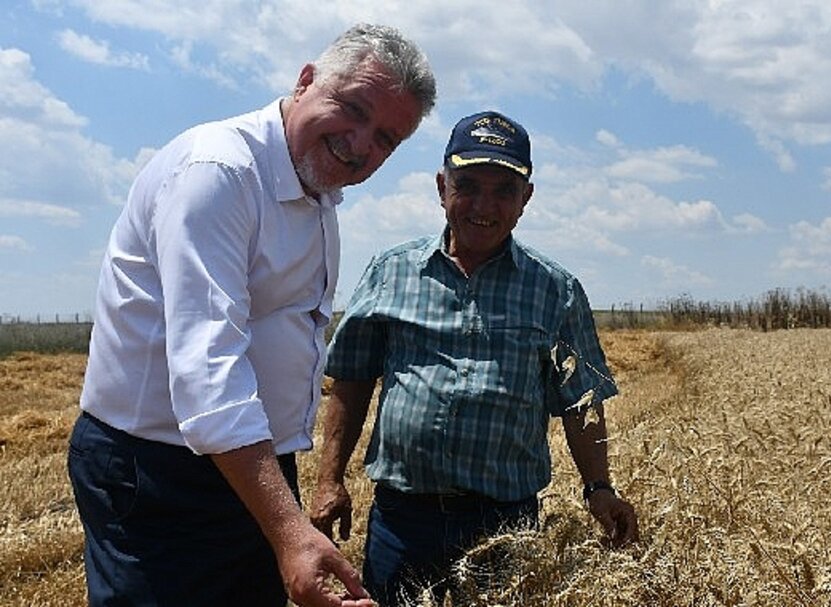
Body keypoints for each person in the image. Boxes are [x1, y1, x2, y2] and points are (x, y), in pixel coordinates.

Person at [67, 24, 436, 607]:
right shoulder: (219, 173)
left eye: (386, 139)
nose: (360, 145)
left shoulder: (314, 191)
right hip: (160, 474)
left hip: (247, 463)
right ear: (307, 79)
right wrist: (290, 532)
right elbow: (208, 372)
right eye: (353, 109)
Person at [311, 110, 639, 605]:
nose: (484, 205)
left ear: (525, 199)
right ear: (442, 187)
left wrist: (599, 488)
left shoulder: (556, 291)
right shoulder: (391, 271)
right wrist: (329, 479)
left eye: (504, 190)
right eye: (467, 185)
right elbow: (352, 380)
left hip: (504, 526)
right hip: (403, 521)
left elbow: (581, 400)